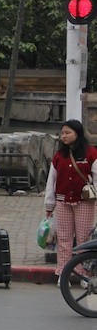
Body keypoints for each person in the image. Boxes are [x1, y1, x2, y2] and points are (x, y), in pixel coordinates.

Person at [43, 119, 97, 283]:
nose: (63, 136)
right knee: (64, 239)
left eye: (68, 133)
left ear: (77, 134)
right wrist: (49, 204)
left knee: (84, 239)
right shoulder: (59, 156)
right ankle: (63, 272)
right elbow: (51, 181)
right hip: (62, 201)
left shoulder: (91, 154)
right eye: (62, 133)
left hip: (84, 202)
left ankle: (84, 273)